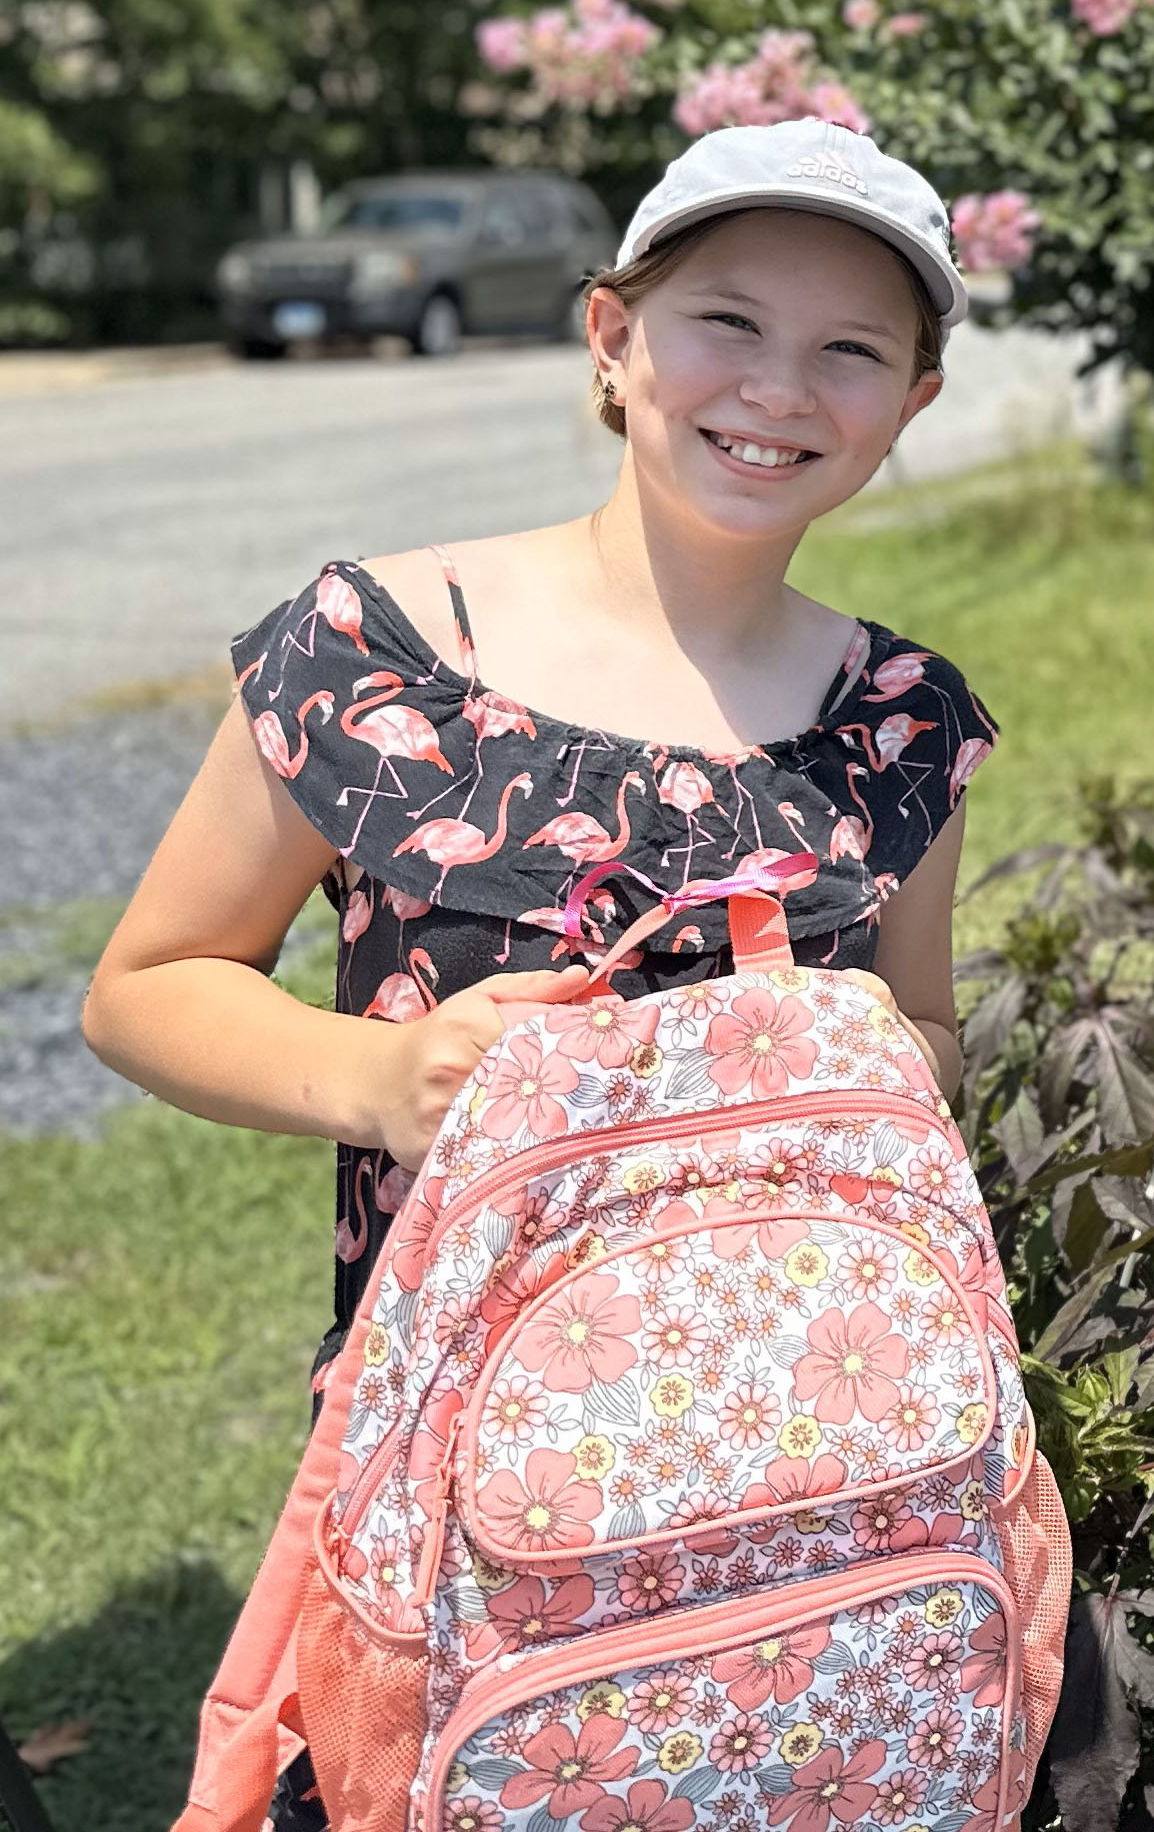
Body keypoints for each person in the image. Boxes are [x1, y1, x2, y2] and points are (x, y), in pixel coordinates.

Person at [83, 119, 998, 1829]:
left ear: (912, 403)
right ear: (611, 335)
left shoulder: (903, 724)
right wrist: (380, 1078)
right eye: (726, 320)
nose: (777, 387)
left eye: (850, 350)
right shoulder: (378, 652)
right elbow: (146, 981)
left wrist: (861, 1045)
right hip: (462, 1486)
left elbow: (929, 1030)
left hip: (796, 1484)